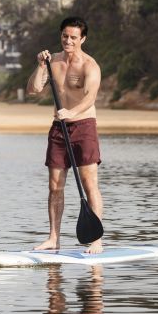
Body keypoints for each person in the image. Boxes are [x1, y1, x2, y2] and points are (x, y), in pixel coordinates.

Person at [27, 17, 103, 254]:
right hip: (59, 129)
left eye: (73, 37)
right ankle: (53, 238)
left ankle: (96, 240)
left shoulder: (90, 65)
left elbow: (90, 97)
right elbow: (33, 89)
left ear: (82, 39)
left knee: (90, 183)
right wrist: (40, 65)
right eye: (64, 36)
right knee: (55, 186)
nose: (68, 41)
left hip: (84, 127)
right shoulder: (53, 62)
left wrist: (71, 111)